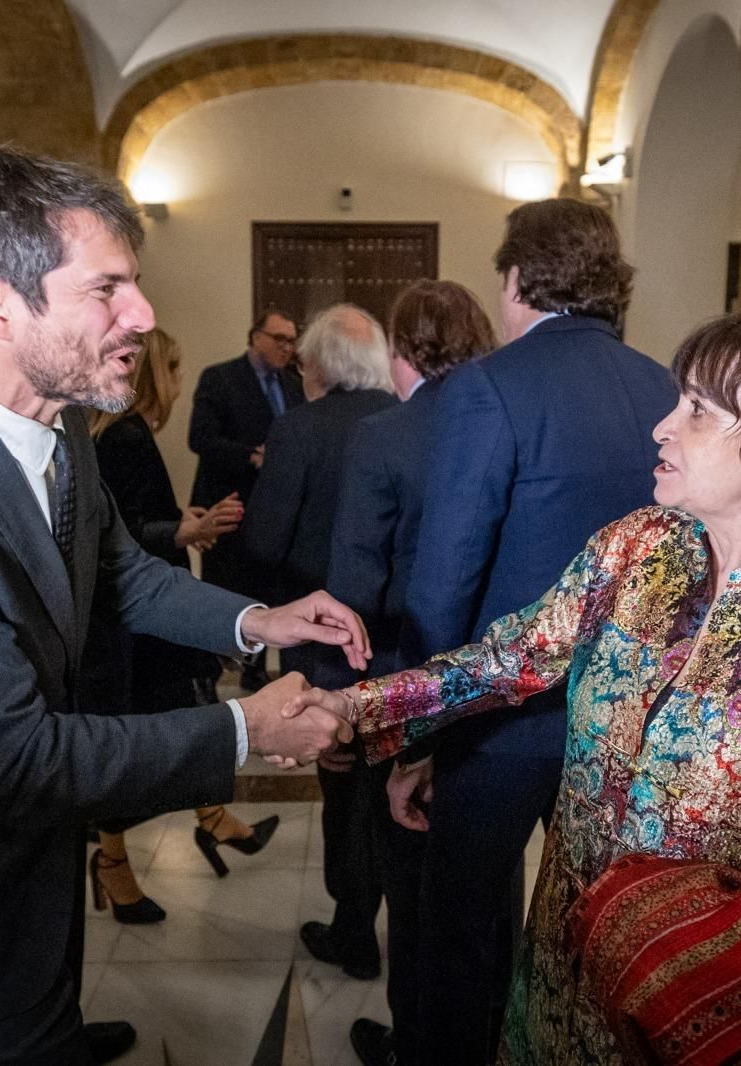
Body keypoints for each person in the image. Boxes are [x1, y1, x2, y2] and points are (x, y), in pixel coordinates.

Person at [294, 310, 741, 1065]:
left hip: (717, 1021)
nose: (662, 427)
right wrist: (352, 708)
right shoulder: (638, 549)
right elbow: (508, 658)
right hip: (565, 981)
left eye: (698, 411)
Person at [0, 146, 362, 1066]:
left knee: (52, 1007)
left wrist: (258, 619)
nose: (143, 315)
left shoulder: (59, 421)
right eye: (108, 290)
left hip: (31, 859)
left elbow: (121, 577)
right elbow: (14, 760)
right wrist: (246, 729)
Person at [392, 198, 678, 1064]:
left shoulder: (487, 386)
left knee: (466, 938)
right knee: (601, 937)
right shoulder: (662, 384)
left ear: (516, 279)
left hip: (499, 729)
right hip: (627, 725)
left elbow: (444, 580)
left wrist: (419, 729)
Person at [326, 280, 497, 1066]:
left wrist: (339, 703)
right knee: (486, 879)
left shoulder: (386, 435)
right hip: (502, 682)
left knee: (410, 873)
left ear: (403, 353)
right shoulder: (507, 419)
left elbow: (353, 587)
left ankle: (413, 1043)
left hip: (409, 672)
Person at [82, 329, 278, 923]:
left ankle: (212, 819)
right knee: (144, 734)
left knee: (180, 718)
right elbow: (116, 543)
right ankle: (114, 862)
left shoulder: (124, 433)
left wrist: (184, 521)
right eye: (173, 366)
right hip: (133, 627)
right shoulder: (125, 435)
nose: (178, 379)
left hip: (139, 620)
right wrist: (183, 531)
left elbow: (136, 518)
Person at [245, 303, 396, 979]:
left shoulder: (298, 428)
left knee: (343, 784)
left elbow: (264, 540)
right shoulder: (412, 423)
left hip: (322, 631)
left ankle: (353, 927)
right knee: (394, 778)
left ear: (322, 365)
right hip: (402, 635)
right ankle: (392, 919)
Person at [189, 307, 306, 690]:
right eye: (280, 339)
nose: (287, 348)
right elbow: (201, 439)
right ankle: (208, 672)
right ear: (256, 337)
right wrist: (251, 455)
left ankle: (255, 669)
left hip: (273, 508)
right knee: (221, 590)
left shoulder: (293, 385)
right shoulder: (221, 378)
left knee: (264, 591)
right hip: (228, 503)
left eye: (292, 340)